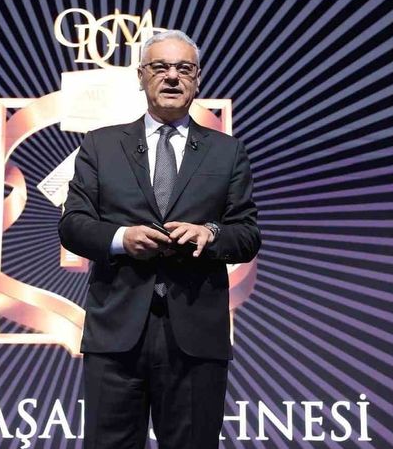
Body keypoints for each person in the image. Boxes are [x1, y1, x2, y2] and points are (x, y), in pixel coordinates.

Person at [59, 29, 260, 448]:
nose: (172, 77)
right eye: (160, 67)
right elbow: (73, 224)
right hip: (116, 334)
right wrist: (121, 238)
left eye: (184, 69)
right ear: (141, 76)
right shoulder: (101, 145)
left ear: (198, 79)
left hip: (195, 336)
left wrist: (210, 233)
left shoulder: (228, 152)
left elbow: (246, 233)